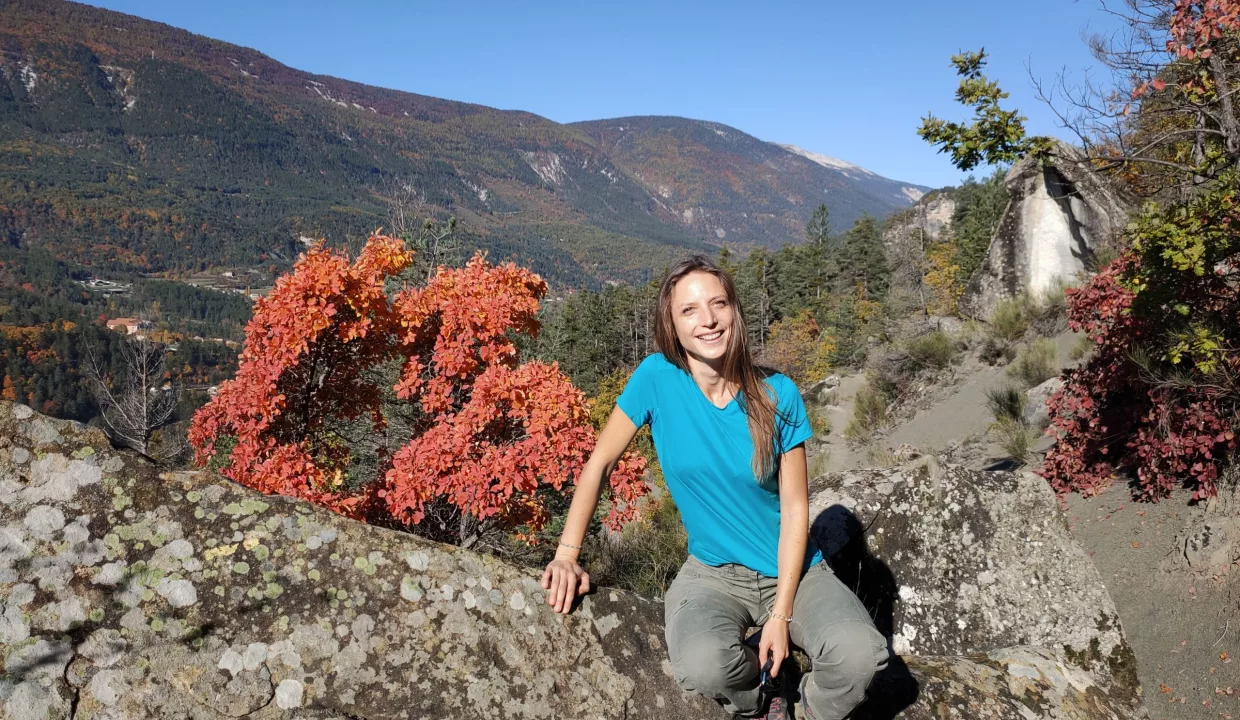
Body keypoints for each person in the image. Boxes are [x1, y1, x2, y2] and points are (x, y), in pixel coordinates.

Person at [541, 255, 889, 720]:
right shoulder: (655, 379)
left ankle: (804, 711)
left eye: (718, 304)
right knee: (704, 667)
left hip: (795, 572)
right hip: (713, 573)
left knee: (861, 657)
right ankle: (759, 700)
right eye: (689, 310)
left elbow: (795, 508)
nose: (707, 320)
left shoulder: (777, 393)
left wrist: (781, 617)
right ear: (671, 325)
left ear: (734, 311)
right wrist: (567, 554)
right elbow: (600, 462)